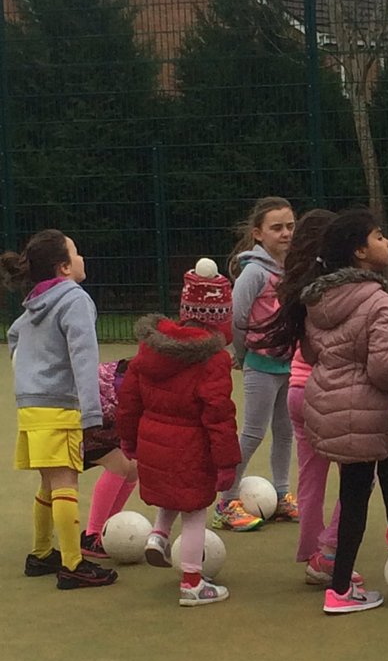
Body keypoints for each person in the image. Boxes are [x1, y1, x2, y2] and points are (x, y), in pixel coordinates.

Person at [299, 209, 388, 615]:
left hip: (328, 401)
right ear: (359, 252)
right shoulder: (378, 300)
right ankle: (339, 590)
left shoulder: (318, 298)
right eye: (378, 236)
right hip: (358, 404)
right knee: (354, 495)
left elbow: (310, 352)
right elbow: (384, 368)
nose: (387, 242)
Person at [117, 263, 241, 607]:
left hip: (152, 439)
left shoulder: (153, 347)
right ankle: (192, 582)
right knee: (196, 511)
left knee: (174, 494)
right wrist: (227, 462)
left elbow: (129, 397)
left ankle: (157, 536)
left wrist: (128, 439)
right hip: (191, 445)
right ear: (220, 318)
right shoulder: (213, 359)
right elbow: (218, 413)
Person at [2, 229, 117, 588]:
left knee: (49, 482)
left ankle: (40, 554)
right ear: (64, 267)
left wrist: (27, 373)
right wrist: (92, 412)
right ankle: (72, 564)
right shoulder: (74, 299)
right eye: (77, 253)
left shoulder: (36, 300)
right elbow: (84, 358)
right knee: (66, 481)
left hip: (31, 407)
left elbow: (15, 335)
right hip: (58, 407)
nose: (83, 259)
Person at [261, 207, 358, 589]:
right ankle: (329, 551)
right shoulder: (337, 288)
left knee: (311, 475)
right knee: (357, 478)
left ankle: (311, 551)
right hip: (327, 392)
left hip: (297, 392)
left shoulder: (295, 283)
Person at [213, 196, 298, 532]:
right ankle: (226, 501)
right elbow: (237, 316)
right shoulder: (253, 272)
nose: (286, 233)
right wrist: (242, 352)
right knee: (251, 432)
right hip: (260, 365)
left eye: (290, 226)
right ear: (258, 234)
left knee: (285, 431)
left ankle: (281, 495)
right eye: (276, 228)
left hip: (288, 364)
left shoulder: (292, 268)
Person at [79, 357, 139, 560]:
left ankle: (109, 530)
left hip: (104, 433)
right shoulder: (127, 383)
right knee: (119, 465)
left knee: (133, 467)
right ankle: (92, 536)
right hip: (81, 431)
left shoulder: (139, 376)